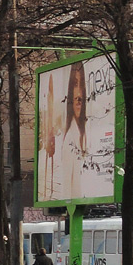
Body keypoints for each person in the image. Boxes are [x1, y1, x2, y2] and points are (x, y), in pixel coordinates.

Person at [59, 62, 89, 199]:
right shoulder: (70, 140)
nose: (78, 95)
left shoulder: (85, 133)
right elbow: (67, 192)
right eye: (75, 85)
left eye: (81, 85)